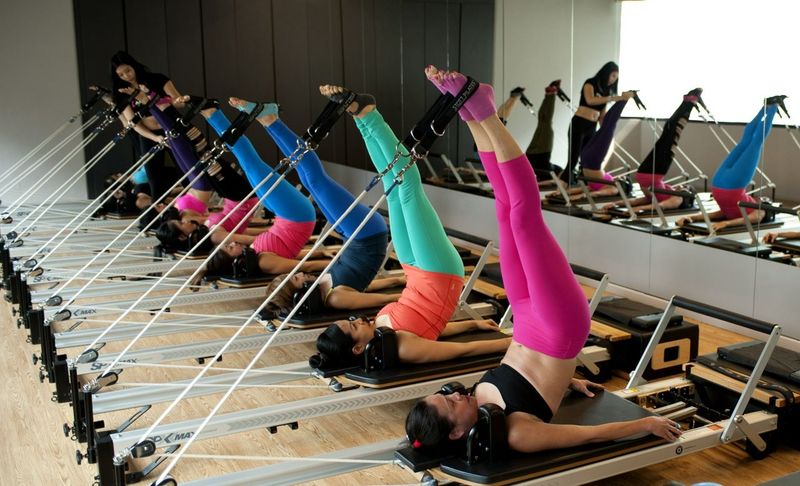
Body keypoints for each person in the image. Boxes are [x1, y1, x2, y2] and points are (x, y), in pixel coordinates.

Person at [405, 67, 681, 453]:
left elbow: (525, 376)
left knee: (503, 210)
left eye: (445, 393)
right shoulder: (516, 433)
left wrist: (567, 382)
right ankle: (484, 111)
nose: (456, 394)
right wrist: (646, 422)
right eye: (450, 403)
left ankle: (468, 111)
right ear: (455, 433)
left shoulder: (476, 405)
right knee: (523, 214)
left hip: (525, 319)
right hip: (558, 329)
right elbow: (589, 435)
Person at [312, 84, 511, 366]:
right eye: (353, 326)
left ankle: (361, 120)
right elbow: (458, 351)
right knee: (408, 187)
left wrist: (472, 325)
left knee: (392, 191)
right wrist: (510, 343)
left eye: (351, 320)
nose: (357, 319)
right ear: (358, 349)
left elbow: (432, 326)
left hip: (414, 271)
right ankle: (369, 114)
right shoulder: (402, 347)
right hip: (440, 274)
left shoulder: (380, 328)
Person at [205, 97, 403, 313]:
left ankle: (269, 119)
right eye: (295, 281)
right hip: (366, 236)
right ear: (300, 294)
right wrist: (411, 289)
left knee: (309, 180)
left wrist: (398, 279)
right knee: (315, 180)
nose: (298, 274)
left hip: (352, 236)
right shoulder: (335, 298)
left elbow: (371, 285)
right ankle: (271, 120)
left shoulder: (322, 284)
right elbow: (383, 299)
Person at [676, 97, 784, 232]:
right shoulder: (743, 207)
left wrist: (695, 218)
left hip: (728, 184)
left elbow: (751, 219)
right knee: (749, 142)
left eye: (763, 200)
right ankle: (770, 107)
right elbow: (724, 215)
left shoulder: (759, 211)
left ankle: (772, 106)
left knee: (753, 142)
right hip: (724, 184)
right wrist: (696, 218)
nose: (761, 198)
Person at [602, 89, 702, 213]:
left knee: (671, 133)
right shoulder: (668, 191)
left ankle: (689, 102)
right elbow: (644, 201)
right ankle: (688, 103)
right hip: (655, 172)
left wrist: (620, 206)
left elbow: (657, 205)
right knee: (670, 131)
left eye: (684, 187)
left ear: (687, 194)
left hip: (649, 173)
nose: (681, 185)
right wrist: (619, 205)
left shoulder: (678, 198)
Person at [547, 92, 634, 201]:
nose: (621, 177)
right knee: (607, 126)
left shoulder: (615, 189)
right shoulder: (608, 183)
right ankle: (623, 99)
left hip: (590, 160)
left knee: (608, 127)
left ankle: (624, 99)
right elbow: (588, 191)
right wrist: (563, 195)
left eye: (622, 179)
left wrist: (562, 195)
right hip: (591, 160)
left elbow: (591, 193)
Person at [559, 61, 627, 186]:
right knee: (573, 160)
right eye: (613, 76)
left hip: (591, 127)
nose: (613, 80)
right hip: (579, 124)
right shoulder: (590, 83)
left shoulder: (606, 92)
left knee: (586, 160)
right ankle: (559, 190)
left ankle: (584, 188)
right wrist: (613, 98)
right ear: (606, 72)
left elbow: (602, 115)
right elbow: (590, 100)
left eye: (616, 78)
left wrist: (605, 132)